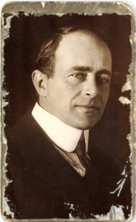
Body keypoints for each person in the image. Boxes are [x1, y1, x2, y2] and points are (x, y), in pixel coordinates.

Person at [4, 26, 130, 219]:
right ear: (42, 84)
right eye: (78, 75)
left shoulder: (114, 165)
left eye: (103, 79)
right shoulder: (6, 160)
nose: (93, 91)